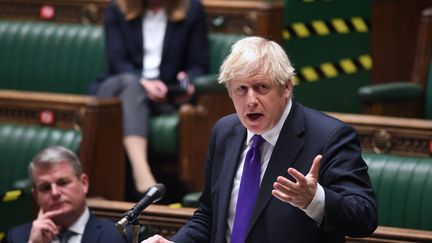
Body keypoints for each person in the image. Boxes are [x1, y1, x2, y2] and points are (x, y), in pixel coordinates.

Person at [142, 36, 378, 243]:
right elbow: (209, 215)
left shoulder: (330, 137)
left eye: (261, 87)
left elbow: (365, 218)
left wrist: (315, 199)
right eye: (241, 89)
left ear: (286, 87)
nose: (251, 100)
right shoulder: (225, 132)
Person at [90, 0, 209, 199]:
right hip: (117, 89)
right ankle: (142, 177)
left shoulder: (192, 9)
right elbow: (118, 62)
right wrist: (143, 82)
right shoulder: (117, 9)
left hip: (164, 94)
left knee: (136, 90)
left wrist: (188, 81)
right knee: (130, 84)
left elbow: (199, 64)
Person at [6, 146, 125, 243]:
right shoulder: (18, 238)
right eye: (45, 187)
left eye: (63, 183)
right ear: (36, 196)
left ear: (84, 183)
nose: (55, 193)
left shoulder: (119, 236)